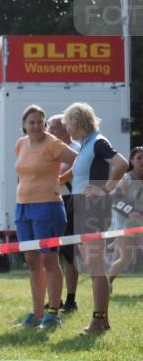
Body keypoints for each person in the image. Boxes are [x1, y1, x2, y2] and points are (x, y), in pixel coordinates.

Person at [62, 102, 130, 334]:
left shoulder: (98, 142)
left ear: (77, 122)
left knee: (95, 266)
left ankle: (98, 321)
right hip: (82, 206)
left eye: (68, 123)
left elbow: (121, 163)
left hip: (92, 208)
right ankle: (103, 320)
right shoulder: (86, 145)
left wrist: (105, 189)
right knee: (93, 265)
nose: (66, 128)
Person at [12, 105, 80, 329]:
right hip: (23, 208)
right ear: (24, 125)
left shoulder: (53, 143)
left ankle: (53, 313)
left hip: (48, 207)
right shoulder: (21, 144)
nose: (36, 125)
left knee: (49, 260)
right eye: (31, 122)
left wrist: (61, 179)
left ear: (45, 124)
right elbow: (22, 174)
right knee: (32, 262)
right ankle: (37, 313)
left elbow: (79, 160)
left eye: (40, 121)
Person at [47, 114, 81, 313]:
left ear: (67, 129)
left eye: (54, 128)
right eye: (49, 128)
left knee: (69, 254)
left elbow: (59, 177)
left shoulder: (76, 150)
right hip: (50, 201)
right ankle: (55, 298)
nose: (49, 131)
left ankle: (70, 299)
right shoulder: (50, 149)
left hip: (69, 202)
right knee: (51, 253)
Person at [107, 146, 143, 285]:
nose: (142, 161)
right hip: (123, 223)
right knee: (125, 258)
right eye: (139, 158)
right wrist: (130, 211)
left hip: (140, 222)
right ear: (132, 161)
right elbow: (115, 200)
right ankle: (107, 283)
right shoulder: (127, 178)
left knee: (120, 256)